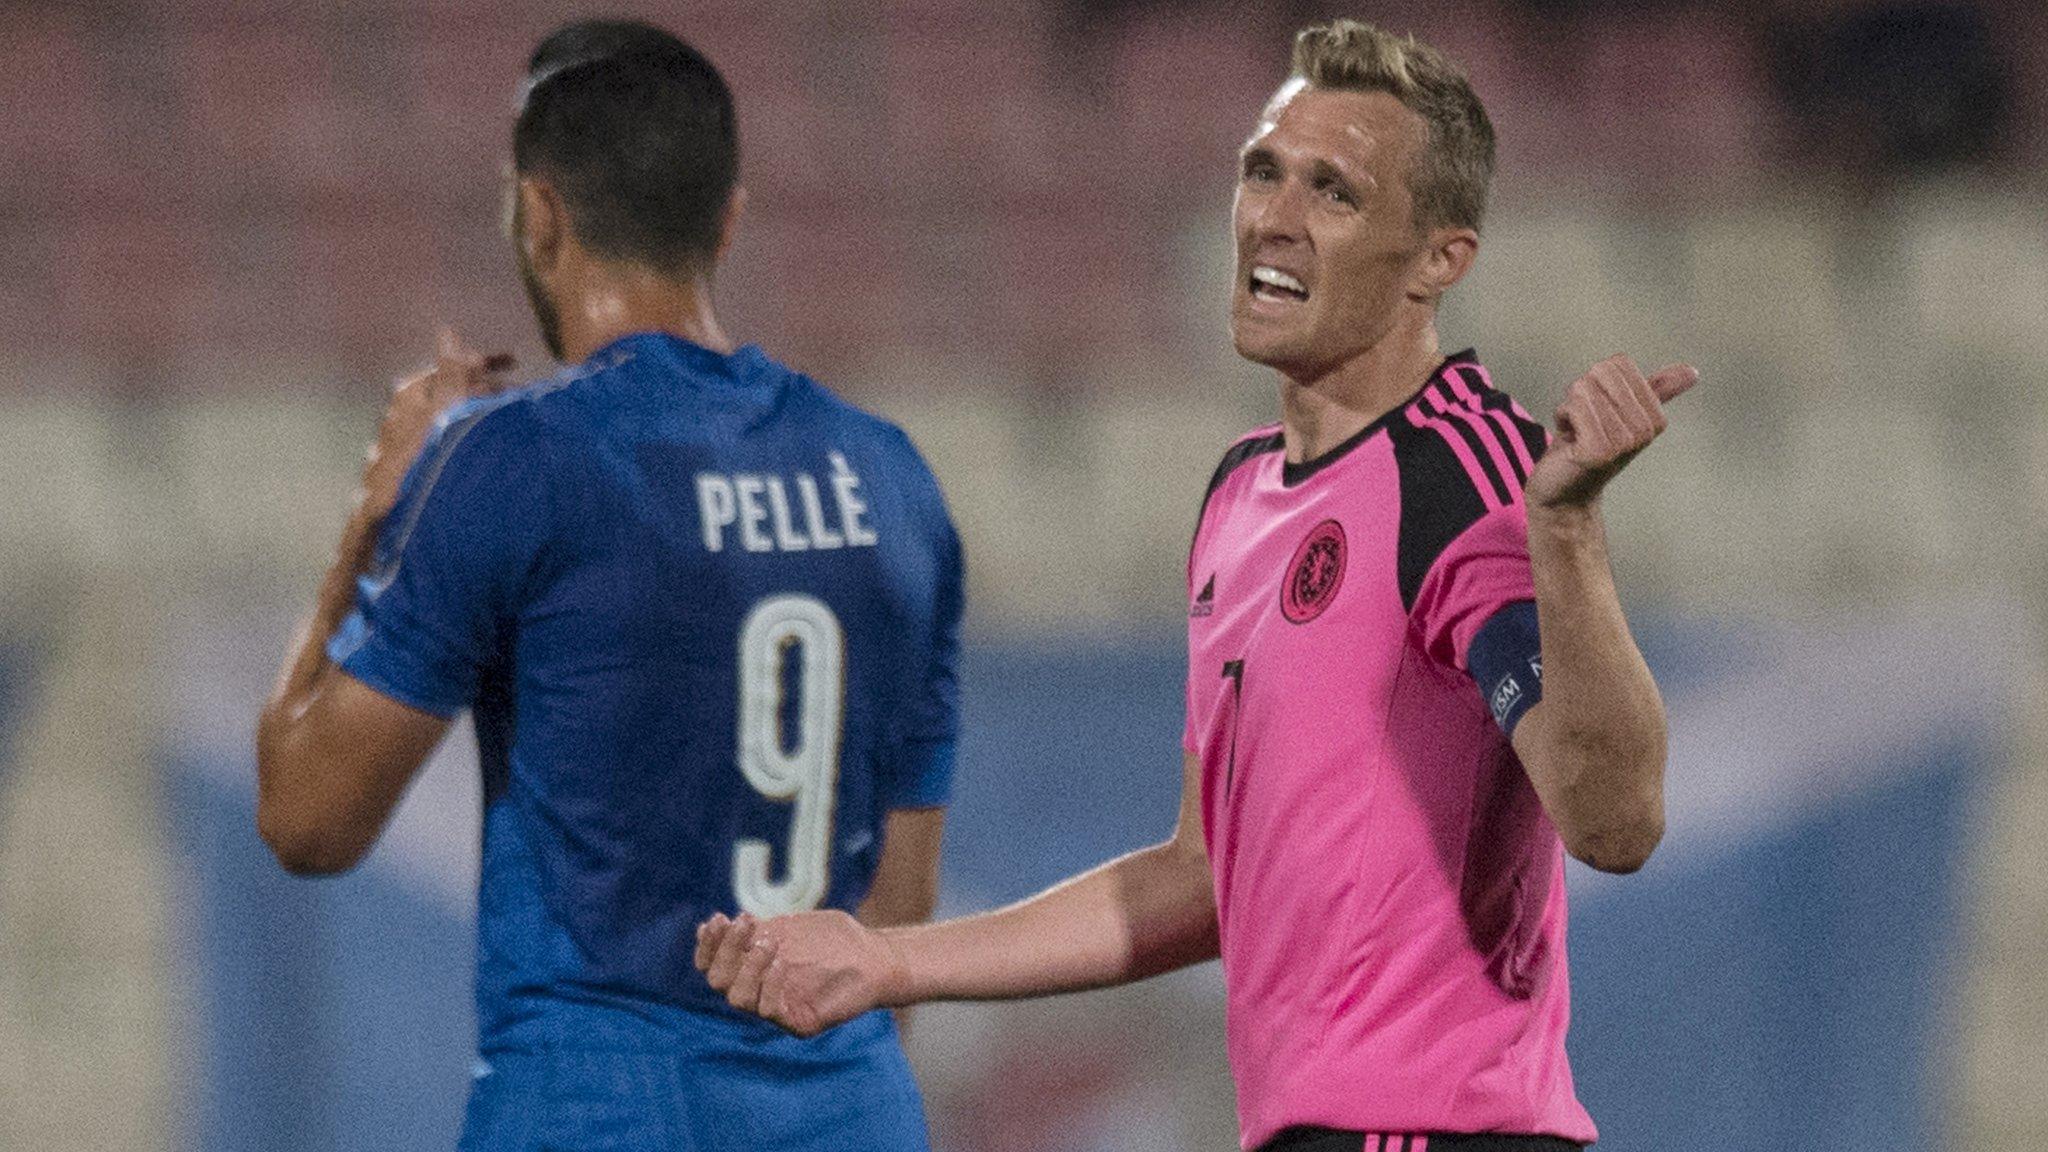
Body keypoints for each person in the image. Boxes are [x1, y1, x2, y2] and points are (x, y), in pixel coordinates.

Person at [699, 18, 1695, 1152]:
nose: (1271, 216)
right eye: (1261, 171)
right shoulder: (1238, 496)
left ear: (1436, 260)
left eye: (1333, 192)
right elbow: (1204, 879)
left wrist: (1562, 527)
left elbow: (1613, 822)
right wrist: (886, 960)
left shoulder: (1467, 476)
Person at [255, 20, 961, 1152]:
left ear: (539, 215)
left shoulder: (515, 463)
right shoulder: (891, 477)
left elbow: (305, 821)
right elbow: (901, 903)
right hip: (846, 1106)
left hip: (593, 1104)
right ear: (726, 219)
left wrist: (368, 524)